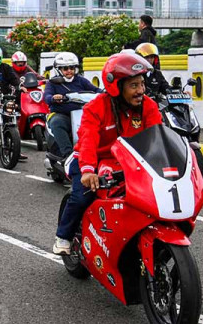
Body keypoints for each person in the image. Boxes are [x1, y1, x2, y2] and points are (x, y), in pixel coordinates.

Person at [53, 53, 162, 254]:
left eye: (141, 84)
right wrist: (87, 171)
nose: (141, 91)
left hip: (130, 162)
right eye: (134, 86)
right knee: (81, 197)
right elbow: (87, 141)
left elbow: (158, 139)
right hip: (91, 160)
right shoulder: (96, 107)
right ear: (116, 87)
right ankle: (63, 236)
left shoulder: (148, 106)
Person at [44, 52, 102, 159]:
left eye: (72, 68)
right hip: (62, 114)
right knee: (57, 122)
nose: (69, 71)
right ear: (59, 70)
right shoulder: (52, 83)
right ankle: (68, 155)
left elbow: (96, 90)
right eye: (65, 68)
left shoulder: (81, 80)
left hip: (83, 114)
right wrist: (53, 98)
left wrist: (105, 92)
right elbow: (46, 96)